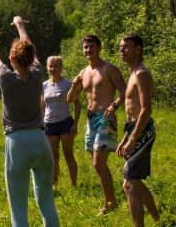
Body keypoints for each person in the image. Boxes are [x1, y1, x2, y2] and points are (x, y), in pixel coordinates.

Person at [0, 13, 60, 227]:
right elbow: (29, 47)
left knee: (18, 210)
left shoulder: (6, 78)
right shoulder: (38, 73)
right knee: (47, 203)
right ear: (32, 57)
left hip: (17, 143)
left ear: (12, 59)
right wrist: (19, 24)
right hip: (41, 141)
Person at [67, 35, 126, 216]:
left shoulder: (109, 69)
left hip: (105, 118)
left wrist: (114, 106)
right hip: (90, 119)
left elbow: (126, 91)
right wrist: (74, 85)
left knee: (98, 162)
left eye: (92, 47)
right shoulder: (83, 73)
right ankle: (111, 201)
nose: (88, 50)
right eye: (85, 47)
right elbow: (70, 99)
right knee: (97, 164)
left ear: (99, 48)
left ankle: (109, 204)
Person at [117, 34, 160, 227]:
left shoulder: (141, 73)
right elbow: (132, 112)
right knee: (134, 181)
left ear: (138, 49)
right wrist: (126, 137)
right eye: (121, 46)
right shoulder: (133, 73)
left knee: (129, 183)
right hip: (135, 129)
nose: (122, 50)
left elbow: (145, 109)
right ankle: (157, 218)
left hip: (143, 131)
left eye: (126, 46)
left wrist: (133, 139)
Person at [41, 56, 81, 188]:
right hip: (49, 125)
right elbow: (42, 106)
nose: (53, 69)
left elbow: (77, 105)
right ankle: (54, 184)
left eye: (56, 66)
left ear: (61, 67)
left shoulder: (67, 84)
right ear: (47, 68)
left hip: (65, 123)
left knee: (68, 155)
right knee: (53, 158)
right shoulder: (44, 85)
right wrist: (41, 122)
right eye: (51, 66)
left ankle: (74, 185)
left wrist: (75, 124)